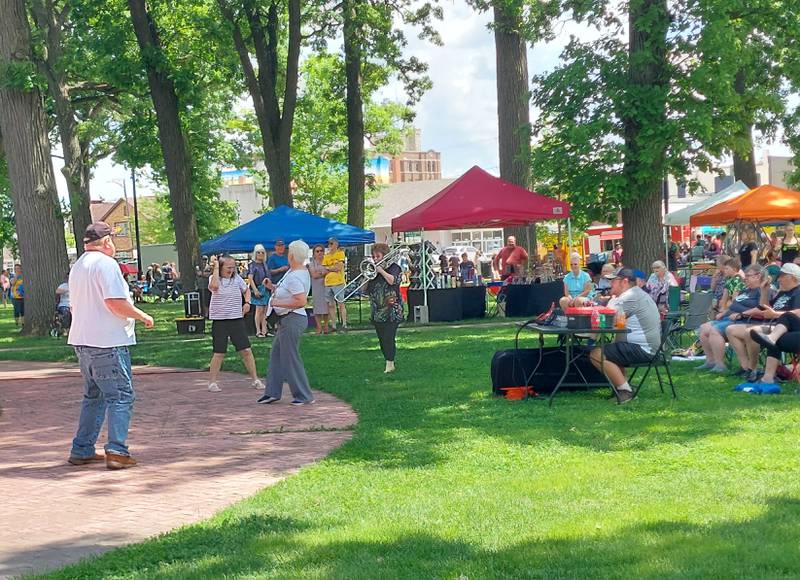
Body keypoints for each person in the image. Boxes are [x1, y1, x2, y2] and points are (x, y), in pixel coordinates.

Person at [67, 222, 155, 470]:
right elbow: (114, 302)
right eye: (113, 240)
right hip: (108, 342)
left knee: (93, 396)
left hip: (83, 341)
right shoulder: (106, 264)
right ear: (106, 242)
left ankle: (82, 448)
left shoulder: (78, 267)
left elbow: (75, 306)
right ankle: (117, 451)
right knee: (121, 396)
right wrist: (141, 315)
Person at [588, 268, 662, 404]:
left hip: (644, 349)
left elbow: (606, 320)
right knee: (612, 351)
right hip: (650, 347)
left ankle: (625, 391)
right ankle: (621, 387)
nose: (609, 283)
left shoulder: (629, 297)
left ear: (625, 281)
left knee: (596, 354)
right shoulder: (637, 293)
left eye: (613, 280)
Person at [257, 240, 314, 405]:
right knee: (276, 355)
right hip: (288, 319)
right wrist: (272, 287)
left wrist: (276, 303)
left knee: (290, 357)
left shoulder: (295, 275)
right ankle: (272, 392)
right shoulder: (294, 272)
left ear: (291, 255)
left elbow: (301, 301)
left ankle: (304, 395)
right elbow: (287, 292)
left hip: (292, 318)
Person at [724, 262, 800, 380]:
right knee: (730, 330)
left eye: (782, 276)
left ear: (793, 277)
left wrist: (775, 314)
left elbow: (798, 313)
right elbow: (764, 307)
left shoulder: (798, 291)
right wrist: (764, 290)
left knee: (751, 332)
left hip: (785, 328)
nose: (779, 279)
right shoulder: (782, 293)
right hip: (770, 324)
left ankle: (752, 369)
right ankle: (746, 367)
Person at [207, 255, 265, 393]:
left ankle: (255, 379)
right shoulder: (214, 278)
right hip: (220, 320)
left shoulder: (237, 279)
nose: (231, 270)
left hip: (236, 318)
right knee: (219, 351)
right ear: (221, 267)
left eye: (233, 267)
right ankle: (212, 382)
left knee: (246, 349)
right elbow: (214, 286)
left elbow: (246, 290)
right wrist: (215, 268)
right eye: (228, 267)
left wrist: (247, 302)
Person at [696, 265, 770, 373]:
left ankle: (720, 364)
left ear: (758, 276)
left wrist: (741, 314)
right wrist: (724, 312)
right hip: (730, 317)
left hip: (743, 320)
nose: (745, 278)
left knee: (714, 330)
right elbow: (734, 304)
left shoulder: (762, 291)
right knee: (703, 328)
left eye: (748, 276)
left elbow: (762, 309)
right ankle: (711, 361)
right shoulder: (746, 290)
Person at [363, 243, 404, 373]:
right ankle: (388, 360)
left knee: (388, 337)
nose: (375, 259)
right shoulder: (372, 271)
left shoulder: (394, 268)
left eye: (378, 256)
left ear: (385, 256)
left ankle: (390, 363)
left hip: (392, 310)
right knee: (381, 338)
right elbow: (363, 289)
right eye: (373, 256)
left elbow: (393, 281)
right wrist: (367, 277)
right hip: (377, 311)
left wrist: (381, 270)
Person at [323, 237, 348, 332]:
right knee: (330, 305)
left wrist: (329, 268)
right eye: (328, 244)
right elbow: (324, 269)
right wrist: (332, 267)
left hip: (338, 282)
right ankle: (333, 325)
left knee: (341, 303)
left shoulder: (340, 253)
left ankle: (344, 324)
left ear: (336, 244)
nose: (329, 246)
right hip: (328, 283)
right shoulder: (326, 256)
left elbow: (339, 267)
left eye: (331, 243)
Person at [247, 244, 271, 338]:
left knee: (265, 310)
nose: (260, 254)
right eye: (258, 252)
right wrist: (255, 290)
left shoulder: (265, 264)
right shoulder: (252, 265)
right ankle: (258, 331)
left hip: (266, 288)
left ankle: (265, 330)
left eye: (262, 252)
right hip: (257, 288)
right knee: (259, 310)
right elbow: (250, 278)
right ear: (255, 253)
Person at [308, 244, 330, 334]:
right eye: (317, 251)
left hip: (327, 286)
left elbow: (330, 270)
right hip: (316, 287)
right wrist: (323, 273)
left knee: (326, 307)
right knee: (317, 308)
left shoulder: (327, 261)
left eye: (321, 250)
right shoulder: (311, 264)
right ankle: (319, 327)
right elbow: (314, 275)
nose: (319, 252)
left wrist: (321, 273)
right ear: (314, 253)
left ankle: (326, 326)